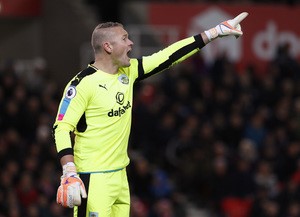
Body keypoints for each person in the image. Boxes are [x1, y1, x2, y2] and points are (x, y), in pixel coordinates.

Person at [52, 12, 248, 217]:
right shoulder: (82, 84)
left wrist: (215, 32)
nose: (131, 43)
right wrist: (69, 171)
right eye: (124, 38)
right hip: (92, 177)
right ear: (108, 47)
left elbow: (169, 56)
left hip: (120, 176)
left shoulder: (128, 72)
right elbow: (61, 127)